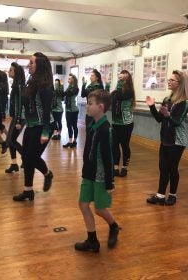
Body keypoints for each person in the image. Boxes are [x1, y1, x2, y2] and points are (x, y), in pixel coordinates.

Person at [75, 89, 120, 252]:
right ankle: (92, 240)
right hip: (88, 173)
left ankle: (113, 226)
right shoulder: (92, 123)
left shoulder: (105, 129)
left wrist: (110, 181)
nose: (87, 106)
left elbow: (109, 158)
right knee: (83, 204)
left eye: (90, 104)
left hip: (100, 177)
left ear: (100, 107)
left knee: (99, 208)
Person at [145, 70, 188, 206]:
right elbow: (160, 119)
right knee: (163, 167)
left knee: (172, 168)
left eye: (172, 80)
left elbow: (176, 121)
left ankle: (172, 195)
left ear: (180, 84)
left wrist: (168, 115)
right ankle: (160, 195)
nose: (169, 82)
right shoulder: (167, 99)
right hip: (166, 138)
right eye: (169, 79)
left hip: (177, 140)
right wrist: (152, 107)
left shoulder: (185, 102)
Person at [13, 52, 54, 202]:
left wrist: (45, 132)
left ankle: (48, 173)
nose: (28, 65)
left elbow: (47, 109)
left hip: (42, 126)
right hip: (31, 125)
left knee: (31, 157)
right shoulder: (32, 81)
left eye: (31, 62)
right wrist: (20, 119)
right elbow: (27, 105)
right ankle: (28, 191)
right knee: (26, 157)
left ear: (39, 65)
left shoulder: (46, 86)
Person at [111, 70, 135, 177]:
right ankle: (115, 167)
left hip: (126, 123)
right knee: (114, 145)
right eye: (119, 78)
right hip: (116, 122)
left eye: (122, 78)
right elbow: (110, 99)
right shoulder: (117, 91)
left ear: (127, 80)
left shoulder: (129, 91)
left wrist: (117, 88)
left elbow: (119, 96)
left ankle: (125, 168)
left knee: (125, 146)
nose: (119, 80)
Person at [5, 62, 26, 173]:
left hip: (20, 117)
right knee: (10, 140)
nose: (9, 71)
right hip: (17, 116)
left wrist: (18, 120)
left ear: (16, 72)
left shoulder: (18, 85)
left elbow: (19, 104)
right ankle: (14, 164)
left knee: (11, 140)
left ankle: (26, 158)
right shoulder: (16, 84)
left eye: (11, 70)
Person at [62, 74, 79, 148]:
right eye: (68, 78)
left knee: (74, 126)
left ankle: (74, 141)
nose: (68, 80)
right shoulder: (68, 87)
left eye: (69, 79)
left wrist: (64, 88)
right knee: (69, 126)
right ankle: (69, 141)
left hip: (74, 110)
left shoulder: (76, 88)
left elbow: (68, 93)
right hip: (68, 110)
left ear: (73, 80)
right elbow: (63, 94)